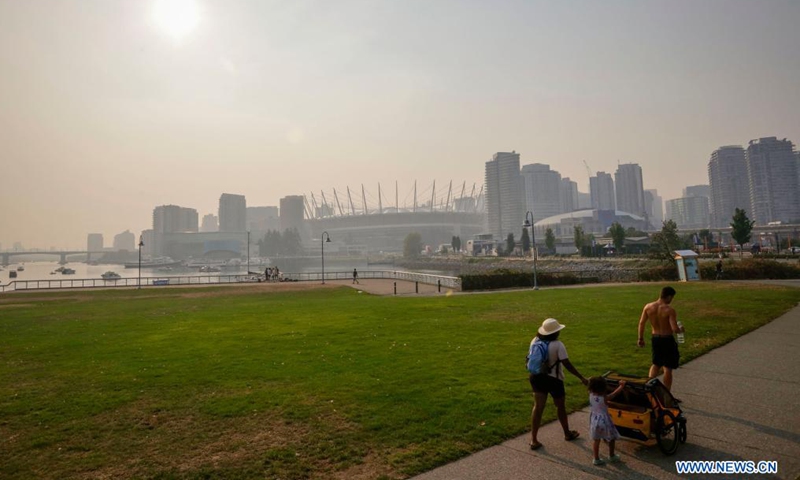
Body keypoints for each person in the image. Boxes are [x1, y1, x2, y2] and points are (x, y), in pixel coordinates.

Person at [529, 318, 589, 451]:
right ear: (555, 332)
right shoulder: (558, 345)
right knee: (560, 406)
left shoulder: (535, 341)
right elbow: (567, 364)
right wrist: (581, 378)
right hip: (554, 380)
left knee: (538, 407)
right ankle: (567, 433)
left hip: (536, 378)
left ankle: (533, 439)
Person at [637, 286, 683, 391]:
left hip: (655, 338)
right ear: (669, 296)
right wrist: (681, 329)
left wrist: (640, 338)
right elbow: (675, 329)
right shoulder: (669, 310)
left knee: (656, 364)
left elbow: (641, 323)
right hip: (667, 339)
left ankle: (648, 389)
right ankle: (666, 395)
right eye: (672, 298)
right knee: (667, 367)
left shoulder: (648, 307)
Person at [588, 377, 626, 466]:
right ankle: (612, 456)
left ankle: (596, 459)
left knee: (596, 440)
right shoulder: (604, 398)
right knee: (611, 438)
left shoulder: (590, 394)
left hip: (594, 419)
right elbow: (615, 394)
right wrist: (621, 386)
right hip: (604, 420)